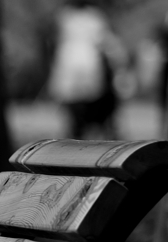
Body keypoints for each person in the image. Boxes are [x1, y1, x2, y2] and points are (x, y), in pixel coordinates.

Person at [47, 0, 126, 139]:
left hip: (74, 70)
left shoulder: (64, 17)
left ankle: (77, 137)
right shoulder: (93, 18)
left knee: (77, 113)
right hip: (86, 70)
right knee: (86, 110)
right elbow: (108, 43)